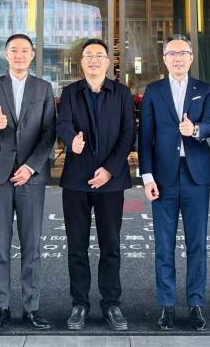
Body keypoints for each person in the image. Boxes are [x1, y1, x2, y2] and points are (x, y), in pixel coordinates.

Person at [0, 33, 57, 332]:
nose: (19, 55)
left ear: (32, 55)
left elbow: (49, 133)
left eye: (24, 50)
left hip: (31, 175)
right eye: (14, 50)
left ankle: (32, 308)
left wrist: (31, 167)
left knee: (32, 244)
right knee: (0, 244)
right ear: (5, 54)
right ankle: (1, 307)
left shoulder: (43, 88)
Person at [138, 34, 210, 331]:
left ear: (191, 57)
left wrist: (194, 129)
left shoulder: (204, 90)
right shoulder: (153, 91)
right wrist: (147, 176)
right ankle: (167, 304)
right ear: (164, 59)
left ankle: (196, 304)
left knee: (197, 243)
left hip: (196, 175)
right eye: (172, 54)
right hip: (163, 177)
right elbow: (145, 137)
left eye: (183, 53)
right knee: (164, 244)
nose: (178, 58)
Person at [56, 38, 135, 332]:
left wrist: (110, 169)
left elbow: (128, 133)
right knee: (77, 246)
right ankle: (79, 304)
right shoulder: (70, 92)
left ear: (108, 62)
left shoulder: (121, 92)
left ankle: (111, 303)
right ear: (81, 62)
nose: (93, 60)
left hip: (111, 181)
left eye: (99, 55)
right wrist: (70, 140)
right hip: (76, 180)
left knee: (110, 245)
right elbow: (62, 123)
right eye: (88, 55)